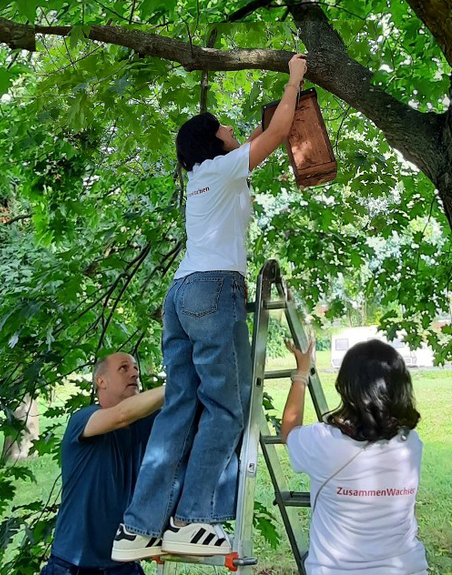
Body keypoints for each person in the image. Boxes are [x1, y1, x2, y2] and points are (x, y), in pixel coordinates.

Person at [111, 53, 309, 560]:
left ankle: (140, 527)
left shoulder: (207, 181)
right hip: (214, 288)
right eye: (225, 126)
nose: (234, 130)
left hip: (182, 294)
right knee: (227, 406)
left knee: (180, 406)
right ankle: (192, 518)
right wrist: (294, 77)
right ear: (212, 141)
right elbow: (280, 129)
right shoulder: (220, 169)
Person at [282, 337, 429, 575]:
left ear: (347, 388)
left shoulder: (324, 442)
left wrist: (301, 373)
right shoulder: (410, 444)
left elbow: (289, 432)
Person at [41, 353, 165, 575]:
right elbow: (121, 415)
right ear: (101, 381)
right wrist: (178, 385)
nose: (134, 373)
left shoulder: (143, 423)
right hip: (73, 566)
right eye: (124, 368)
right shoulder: (83, 419)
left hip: (123, 563)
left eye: (135, 368)